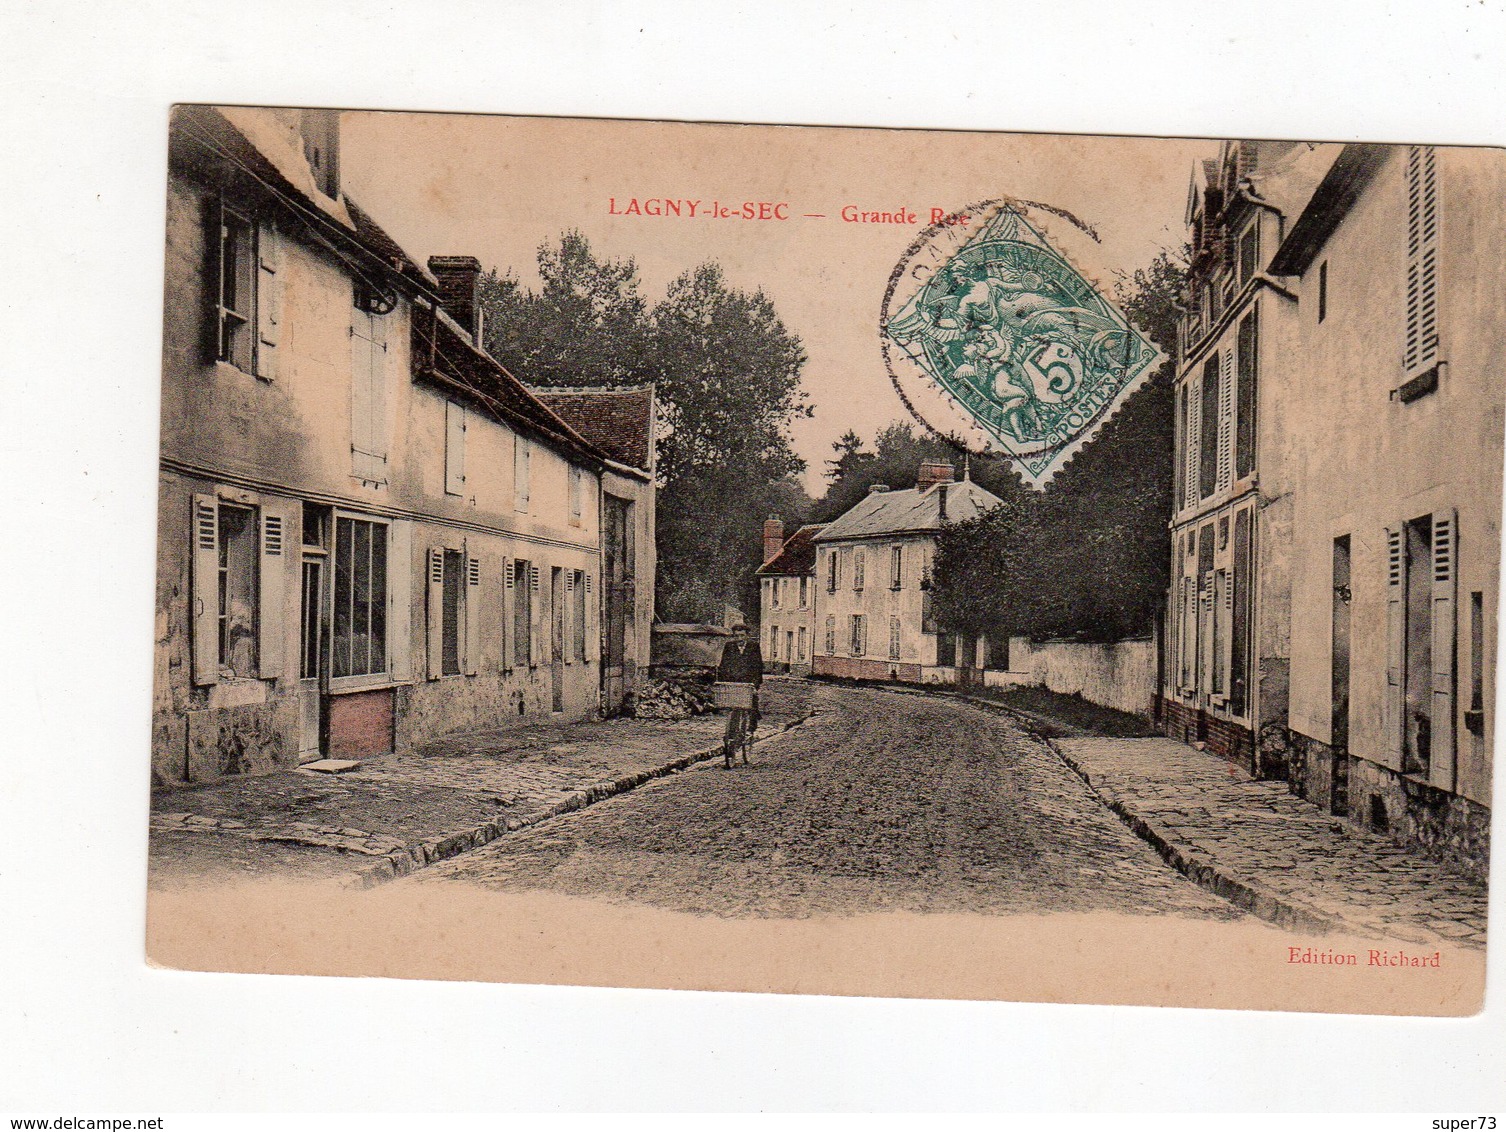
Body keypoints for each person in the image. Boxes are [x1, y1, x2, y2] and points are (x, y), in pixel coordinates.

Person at [716, 622, 763, 766]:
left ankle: (750, 730)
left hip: (749, 683)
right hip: (734, 684)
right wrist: (723, 682)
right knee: (733, 710)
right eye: (736, 636)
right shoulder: (729, 647)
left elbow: (758, 667)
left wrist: (755, 685)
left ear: (747, 636)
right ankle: (731, 738)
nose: (739, 638)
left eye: (742, 635)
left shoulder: (753, 647)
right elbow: (723, 665)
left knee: (751, 707)